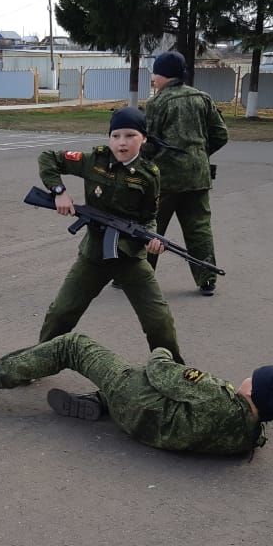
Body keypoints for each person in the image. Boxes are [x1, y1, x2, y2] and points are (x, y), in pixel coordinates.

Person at [0, 334, 273, 459]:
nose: (244, 378)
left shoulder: (217, 395)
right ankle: (97, 402)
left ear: (253, 390)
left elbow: (162, 373)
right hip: (151, 429)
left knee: (75, 346)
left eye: (250, 378)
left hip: (134, 398)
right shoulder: (252, 435)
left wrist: (162, 350)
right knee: (166, 401)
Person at [34, 106, 182, 358]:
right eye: (116, 136)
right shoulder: (95, 161)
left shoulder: (149, 175)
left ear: (143, 138)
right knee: (61, 312)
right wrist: (59, 192)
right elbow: (48, 157)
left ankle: (173, 372)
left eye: (130, 136)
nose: (121, 143)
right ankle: (37, 362)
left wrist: (152, 240)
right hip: (94, 255)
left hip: (130, 259)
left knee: (159, 320)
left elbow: (149, 219)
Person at [142, 51, 229, 296]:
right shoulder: (203, 98)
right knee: (199, 228)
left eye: (155, 74)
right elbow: (221, 134)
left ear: (163, 75)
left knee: (150, 227)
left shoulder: (158, 103)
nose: (154, 79)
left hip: (165, 180)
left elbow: (148, 142)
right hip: (198, 178)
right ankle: (207, 278)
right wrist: (199, 155)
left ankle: (140, 277)